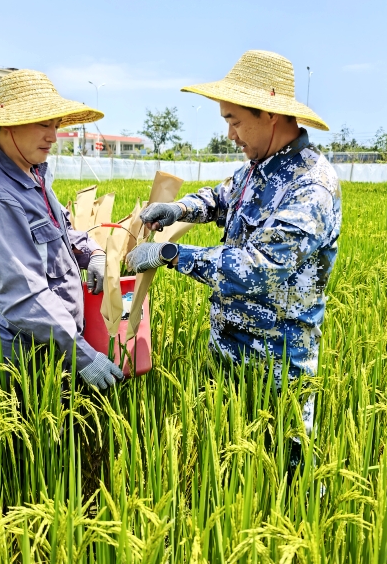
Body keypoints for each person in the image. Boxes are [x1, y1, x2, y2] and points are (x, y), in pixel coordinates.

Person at [126, 50, 342, 446]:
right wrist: (179, 209)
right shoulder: (257, 168)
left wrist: (172, 255)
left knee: (281, 474)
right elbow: (220, 197)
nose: (230, 135)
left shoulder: (312, 185)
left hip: (276, 370)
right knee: (225, 468)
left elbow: (260, 267)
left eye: (235, 121)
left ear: (270, 114)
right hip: (227, 355)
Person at [0, 69, 123, 390]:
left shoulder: (33, 174)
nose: (53, 137)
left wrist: (91, 252)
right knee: (36, 422)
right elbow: (22, 294)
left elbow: (59, 231)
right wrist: (82, 355)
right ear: (10, 124)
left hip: (60, 345)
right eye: (43, 124)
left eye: (56, 125)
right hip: (29, 357)